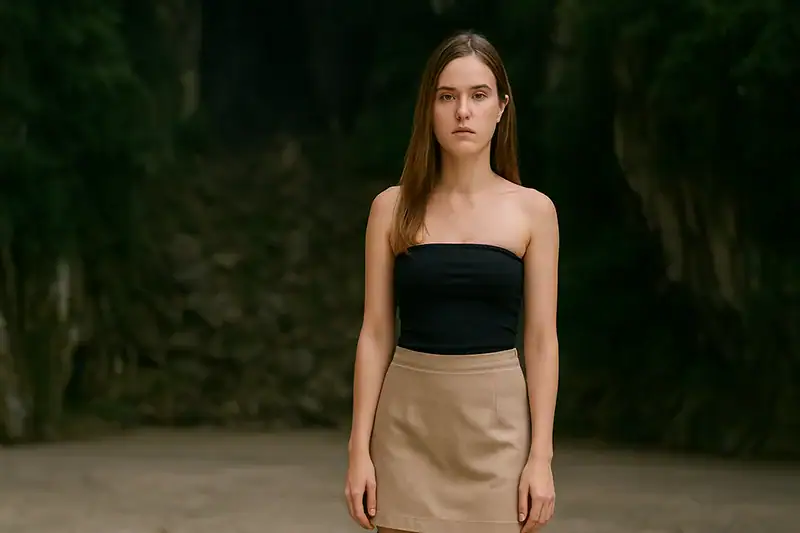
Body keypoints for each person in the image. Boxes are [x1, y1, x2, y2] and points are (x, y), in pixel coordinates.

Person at [345, 30, 559, 533]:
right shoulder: (390, 208)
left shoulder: (533, 211)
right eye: (448, 97)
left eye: (478, 95)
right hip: (406, 431)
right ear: (430, 108)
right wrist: (359, 451)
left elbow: (542, 341)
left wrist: (541, 458)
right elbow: (375, 334)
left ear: (502, 107)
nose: (463, 111)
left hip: (499, 432)